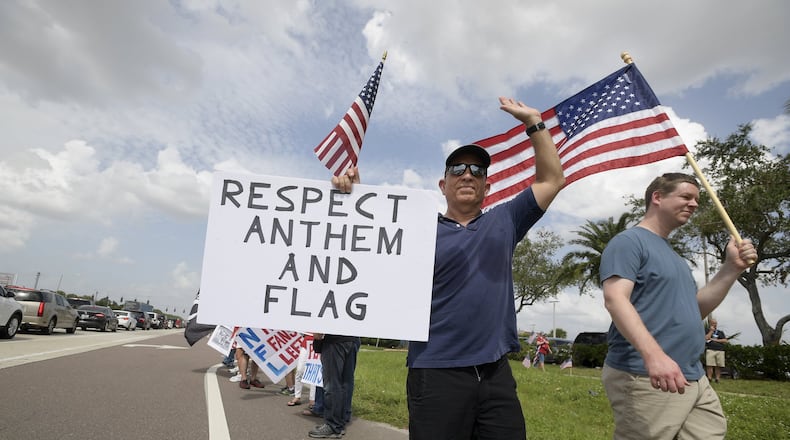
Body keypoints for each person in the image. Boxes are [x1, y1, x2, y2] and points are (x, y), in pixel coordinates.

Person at [331, 96, 565, 439]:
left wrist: (534, 122)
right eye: (457, 169)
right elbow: (372, 238)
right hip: (435, 371)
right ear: (443, 185)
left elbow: (552, 180)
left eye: (477, 170)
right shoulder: (418, 227)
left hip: (496, 375)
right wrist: (352, 195)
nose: (467, 174)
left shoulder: (506, 220)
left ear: (488, 185)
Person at [599, 173, 756, 439]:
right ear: (657, 197)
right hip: (646, 374)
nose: (694, 204)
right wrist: (655, 356)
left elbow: (694, 312)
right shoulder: (629, 242)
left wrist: (731, 268)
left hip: (691, 375)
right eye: (686, 196)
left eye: (696, 199)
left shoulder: (673, 256)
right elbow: (615, 299)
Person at [307, 333, 361, 439]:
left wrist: (317, 336)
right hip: (353, 339)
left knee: (332, 383)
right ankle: (342, 419)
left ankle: (333, 425)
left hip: (334, 341)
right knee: (346, 382)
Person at [705, 318, 728, 383]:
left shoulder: (720, 332)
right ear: (710, 324)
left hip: (720, 350)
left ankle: (717, 379)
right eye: (713, 323)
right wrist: (711, 331)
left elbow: (725, 340)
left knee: (719, 365)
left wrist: (714, 339)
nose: (715, 325)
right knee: (709, 364)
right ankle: (709, 378)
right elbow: (706, 338)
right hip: (710, 349)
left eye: (715, 323)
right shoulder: (707, 330)